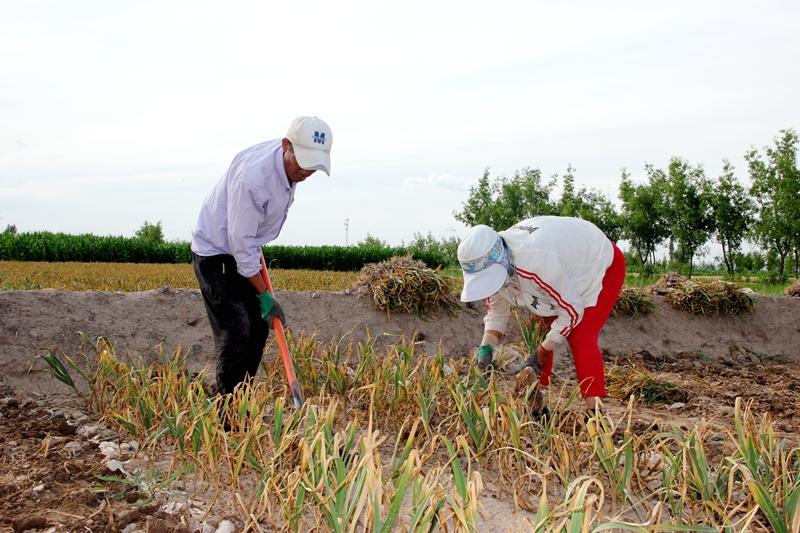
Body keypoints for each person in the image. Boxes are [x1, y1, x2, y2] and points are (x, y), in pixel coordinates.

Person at [190, 116, 332, 397]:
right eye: (302, 162)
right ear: (286, 145)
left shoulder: (288, 165)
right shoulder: (253, 179)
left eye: (313, 166)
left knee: (259, 329)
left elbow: (247, 241)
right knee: (238, 328)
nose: (306, 171)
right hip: (215, 253)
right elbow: (241, 247)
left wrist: (261, 298)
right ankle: (225, 410)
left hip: (245, 246)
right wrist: (265, 296)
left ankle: (241, 399)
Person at [457, 216, 626, 411]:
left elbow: (572, 310)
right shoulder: (499, 258)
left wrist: (543, 351)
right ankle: (538, 399)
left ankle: (595, 412)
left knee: (581, 335)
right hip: (560, 270)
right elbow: (497, 311)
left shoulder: (535, 263)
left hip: (598, 265)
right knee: (538, 332)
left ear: (500, 261)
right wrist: (485, 349)